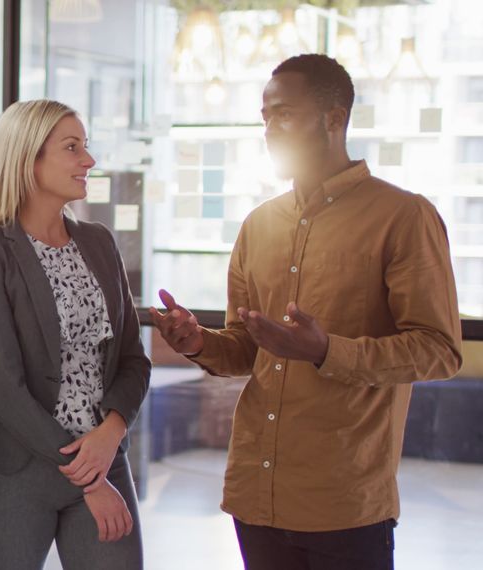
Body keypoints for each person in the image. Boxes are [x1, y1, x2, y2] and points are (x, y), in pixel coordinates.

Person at [149, 54, 462, 570]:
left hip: (344, 498)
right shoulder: (259, 224)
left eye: (285, 114)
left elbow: (439, 350)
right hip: (255, 489)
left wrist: (324, 350)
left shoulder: (404, 217)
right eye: (265, 117)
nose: (270, 129)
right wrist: (198, 342)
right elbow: (245, 349)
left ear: (334, 119)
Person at [0, 99, 149, 569]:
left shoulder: (99, 242)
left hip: (103, 457)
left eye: (86, 146)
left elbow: (133, 360)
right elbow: (3, 387)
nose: (89, 160)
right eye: (72, 147)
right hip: (17, 471)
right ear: (28, 158)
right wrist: (91, 481)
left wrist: (110, 433)